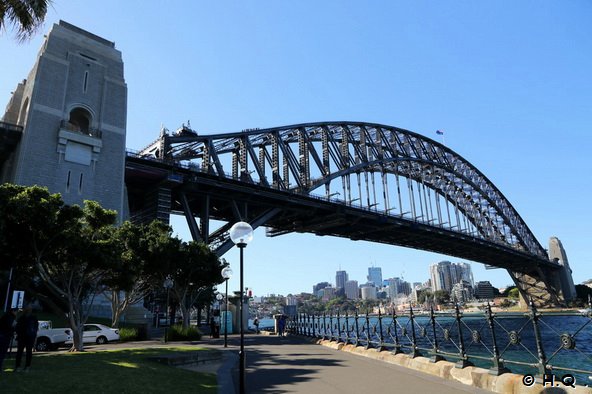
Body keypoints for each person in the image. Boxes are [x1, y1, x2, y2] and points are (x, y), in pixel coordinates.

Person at [14, 305, 38, 372]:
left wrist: (18, 333)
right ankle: (27, 367)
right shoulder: (34, 318)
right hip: (30, 337)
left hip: (22, 337)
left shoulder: (21, 318)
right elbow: (36, 329)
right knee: (29, 352)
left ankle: (18, 367)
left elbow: (17, 327)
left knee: (19, 352)